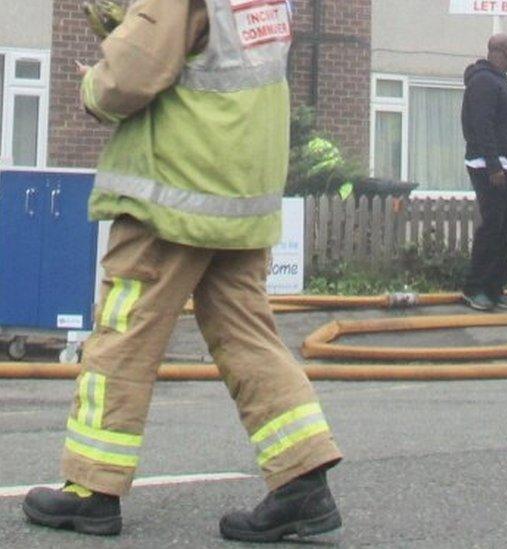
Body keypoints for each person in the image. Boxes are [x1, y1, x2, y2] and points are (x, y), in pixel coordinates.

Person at [21, 1, 343, 542]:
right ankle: (302, 480)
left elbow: (132, 73)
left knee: (124, 333)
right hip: (239, 195)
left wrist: (91, 86)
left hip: (174, 189)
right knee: (247, 335)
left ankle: (90, 489)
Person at [461, 33, 507, 311]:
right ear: (500, 52)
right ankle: (474, 287)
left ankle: (494, 287)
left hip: (504, 162)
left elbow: (500, 124)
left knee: (503, 227)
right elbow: (482, 125)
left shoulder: (501, 82)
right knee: (492, 226)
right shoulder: (483, 81)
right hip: (488, 165)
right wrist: (493, 165)